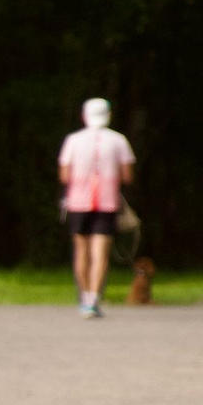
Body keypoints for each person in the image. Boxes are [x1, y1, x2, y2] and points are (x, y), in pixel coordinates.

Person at [58, 97, 136, 319]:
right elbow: (127, 176)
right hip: (106, 203)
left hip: (78, 203)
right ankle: (93, 299)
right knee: (100, 253)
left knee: (81, 250)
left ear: (84, 116)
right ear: (108, 115)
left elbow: (64, 175)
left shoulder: (73, 140)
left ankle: (83, 297)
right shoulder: (119, 140)